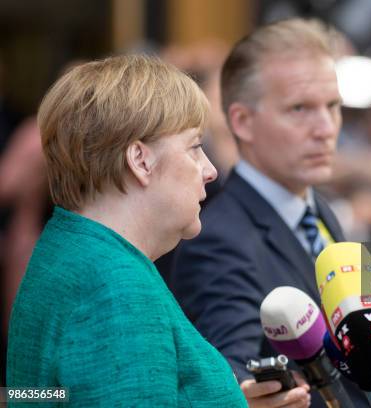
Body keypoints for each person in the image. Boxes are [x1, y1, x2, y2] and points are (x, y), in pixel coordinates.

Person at [7, 55, 247, 407]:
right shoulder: (114, 286)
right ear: (140, 160)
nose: (210, 170)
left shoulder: (78, 251)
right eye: (195, 147)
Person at [171, 18, 366, 407]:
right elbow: (233, 375)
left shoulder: (316, 207)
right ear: (242, 121)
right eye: (300, 109)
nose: (326, 128)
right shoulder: (217, 239)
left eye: (332, 106)